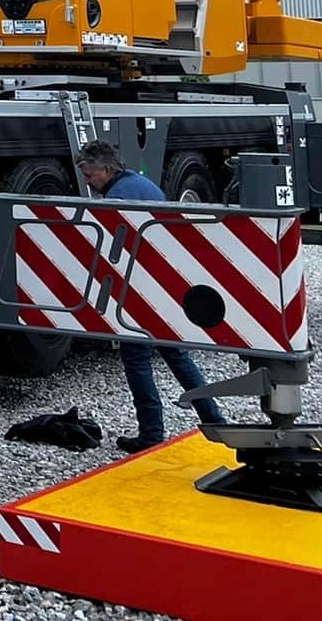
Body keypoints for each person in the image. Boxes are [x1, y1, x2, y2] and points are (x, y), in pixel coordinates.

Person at [75, 139, 230, 454]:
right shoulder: (143, 184)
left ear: (105, 169)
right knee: (176, 355)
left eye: (90, 176)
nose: (89, 183)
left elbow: (109, 249)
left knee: (136, 360)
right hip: (164, 286)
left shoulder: (118, 198)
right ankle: (214, 419)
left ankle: (151, 432)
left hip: (138, 292)